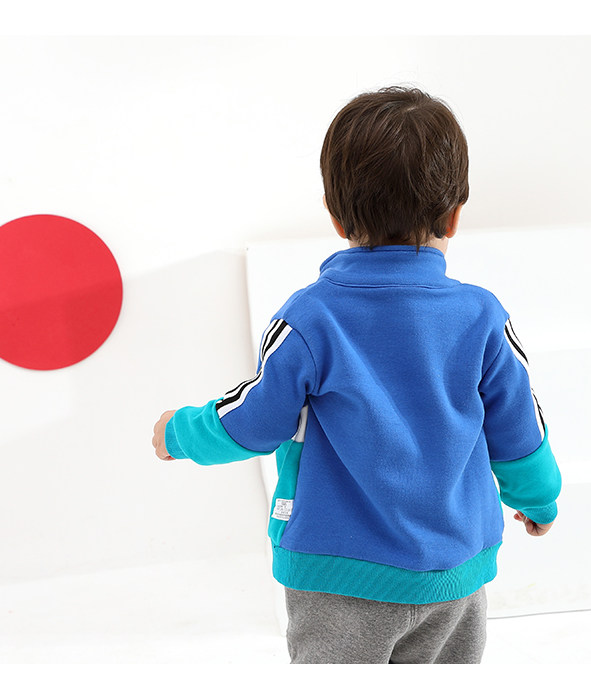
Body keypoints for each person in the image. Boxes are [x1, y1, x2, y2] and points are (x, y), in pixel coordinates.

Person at [151, 86, 561, 664]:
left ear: (335, 215)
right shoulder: (483, 317)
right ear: (454, 215)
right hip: (455, 577)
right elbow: (521, 432)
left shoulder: (308, 319)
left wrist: (179, 431)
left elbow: (254, 421)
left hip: (337, 580)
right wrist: (541, 501)